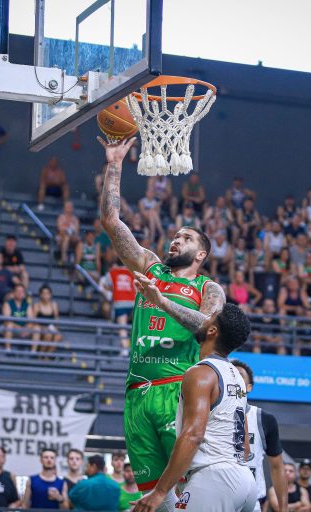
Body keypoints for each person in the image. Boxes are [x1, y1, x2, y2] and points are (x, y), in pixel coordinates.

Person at [99, 136, 225, 505]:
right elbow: (111, 221)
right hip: (136, 393)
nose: (176, 240)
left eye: (186, 238)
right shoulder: (150, 267)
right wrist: (115, 164)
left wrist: (162, 301)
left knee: (187, 490)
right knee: (151, 498)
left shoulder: (207, 287)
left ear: (200, 254)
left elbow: (207, 326)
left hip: (176, 390)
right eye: (175, 236)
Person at [129, 302, 255, 512]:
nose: (202, 318)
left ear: (212, 331)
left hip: (217, 478)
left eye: (210, 316)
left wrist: (160, 491)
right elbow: (245, 446)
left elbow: (193, 435)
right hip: (245, 480)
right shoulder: (236, 376)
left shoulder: (200, 373)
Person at [232, 360, 288, 512]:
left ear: (249, 387)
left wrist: (284, 508)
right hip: (216, 498)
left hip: (249, 503)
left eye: (239, 375)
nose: (234, 378)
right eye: (230, 375)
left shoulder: (263, 419)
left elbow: (277, 467)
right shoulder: (207, 414)